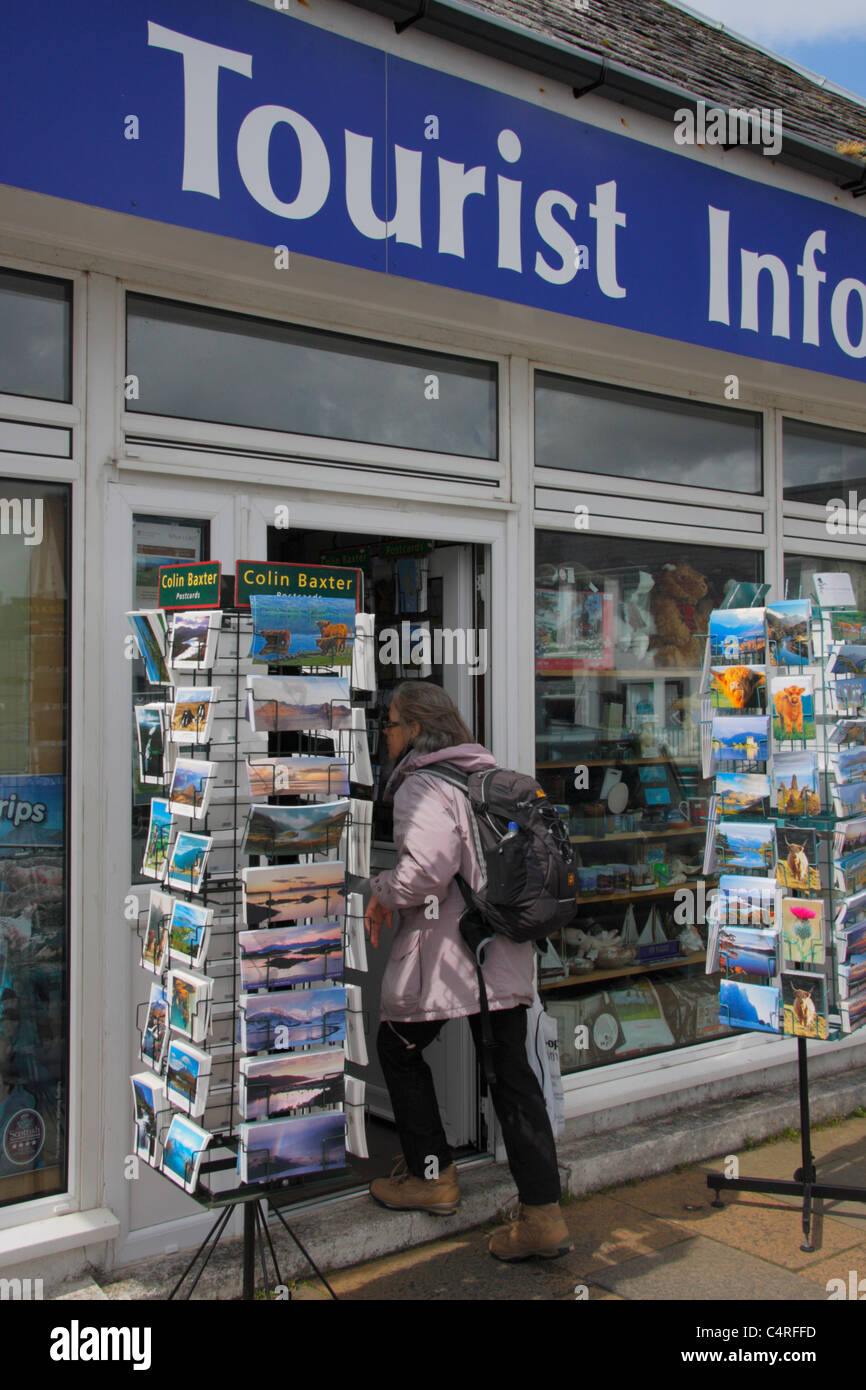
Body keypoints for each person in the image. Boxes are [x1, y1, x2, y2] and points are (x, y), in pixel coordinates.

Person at [363, 681, 571, 1261]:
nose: (385, 732)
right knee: (511, 1077)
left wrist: (380, 889)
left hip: (449, 953)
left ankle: (432, 1175)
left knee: (397, 1046)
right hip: (500, 950)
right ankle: (543, 1215)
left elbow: (425, 872)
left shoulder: (422, 784)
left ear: (415, 731)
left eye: (392, 722)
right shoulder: (483, 775)